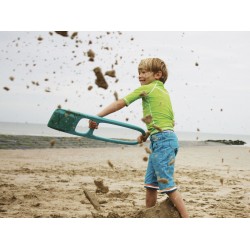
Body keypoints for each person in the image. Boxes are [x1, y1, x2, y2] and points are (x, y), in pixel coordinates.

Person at [89, 58, 189, 218]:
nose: (140, 76)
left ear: (158, 74)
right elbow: (163, 121)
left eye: (144, 72)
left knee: (167, 184)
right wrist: (146, 135)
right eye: (139, 72)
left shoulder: (148, 89)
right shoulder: (162, 91)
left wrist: (98, 116)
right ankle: (150, 215)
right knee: (150, 185)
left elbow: (121, 102)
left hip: (163, 141)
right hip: (164, 139)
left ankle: (186, 219)